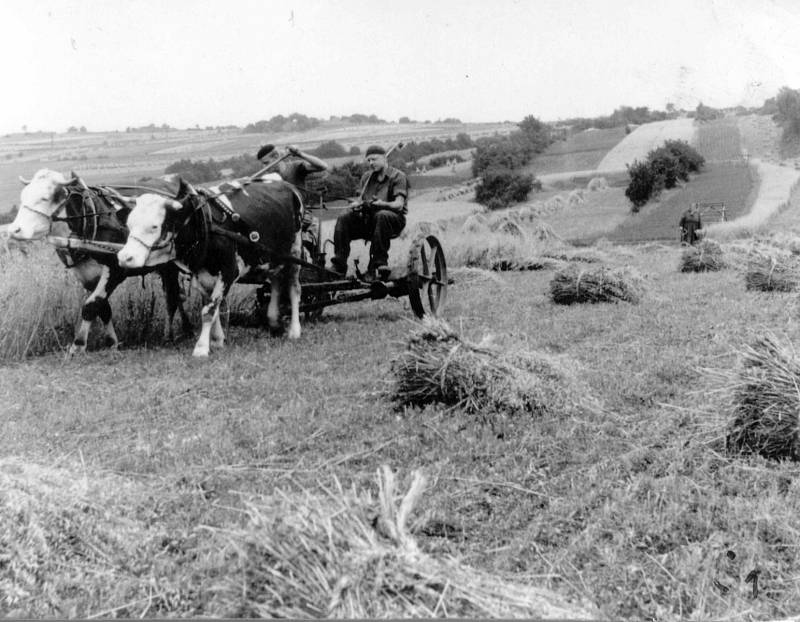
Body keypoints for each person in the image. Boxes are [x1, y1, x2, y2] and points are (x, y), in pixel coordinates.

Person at [330, 145, 408, 281]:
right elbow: (361, 200)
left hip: (393, 220)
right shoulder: (366, 177)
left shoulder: (398, 176)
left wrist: (382, 204)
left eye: (374, 159)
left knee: (382, 215)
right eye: (369, 161)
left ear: (385, 158)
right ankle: (339, 266)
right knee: (344, 217)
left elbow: (399, 204)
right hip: (369, 221)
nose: (371, 163)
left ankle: (379, 264)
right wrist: (357, 206)